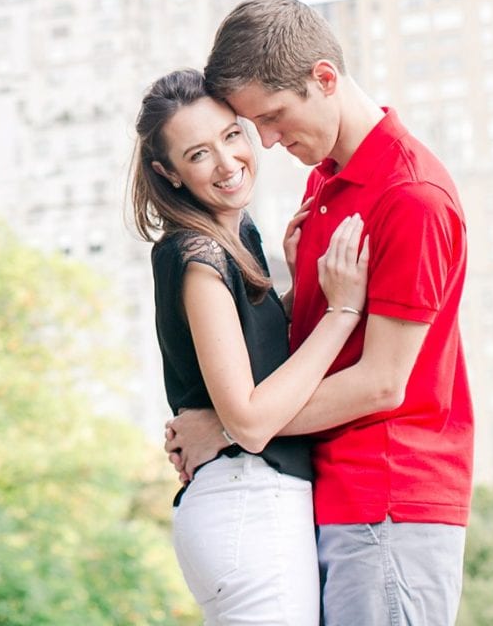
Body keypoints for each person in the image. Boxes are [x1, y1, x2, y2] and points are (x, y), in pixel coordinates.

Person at [166, 0, 474, 626]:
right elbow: (314, 345)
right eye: (258, 126)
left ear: (324, 79)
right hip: (328, 494)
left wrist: (228, 429)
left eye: (275, 119)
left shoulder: (412, 196)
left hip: (389, 504)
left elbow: (382, 381)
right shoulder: (325, 181)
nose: (271, 143)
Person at [133, 68, 369, 625]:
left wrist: (280, 294)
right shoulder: (199, 256)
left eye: (231, 135)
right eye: (198, 154)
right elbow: (251, 420)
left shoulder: (236, 238)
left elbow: (246, 362)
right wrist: (342, 311)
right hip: (246, 503)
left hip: (247, 503)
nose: (227, 162)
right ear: (168, 172)